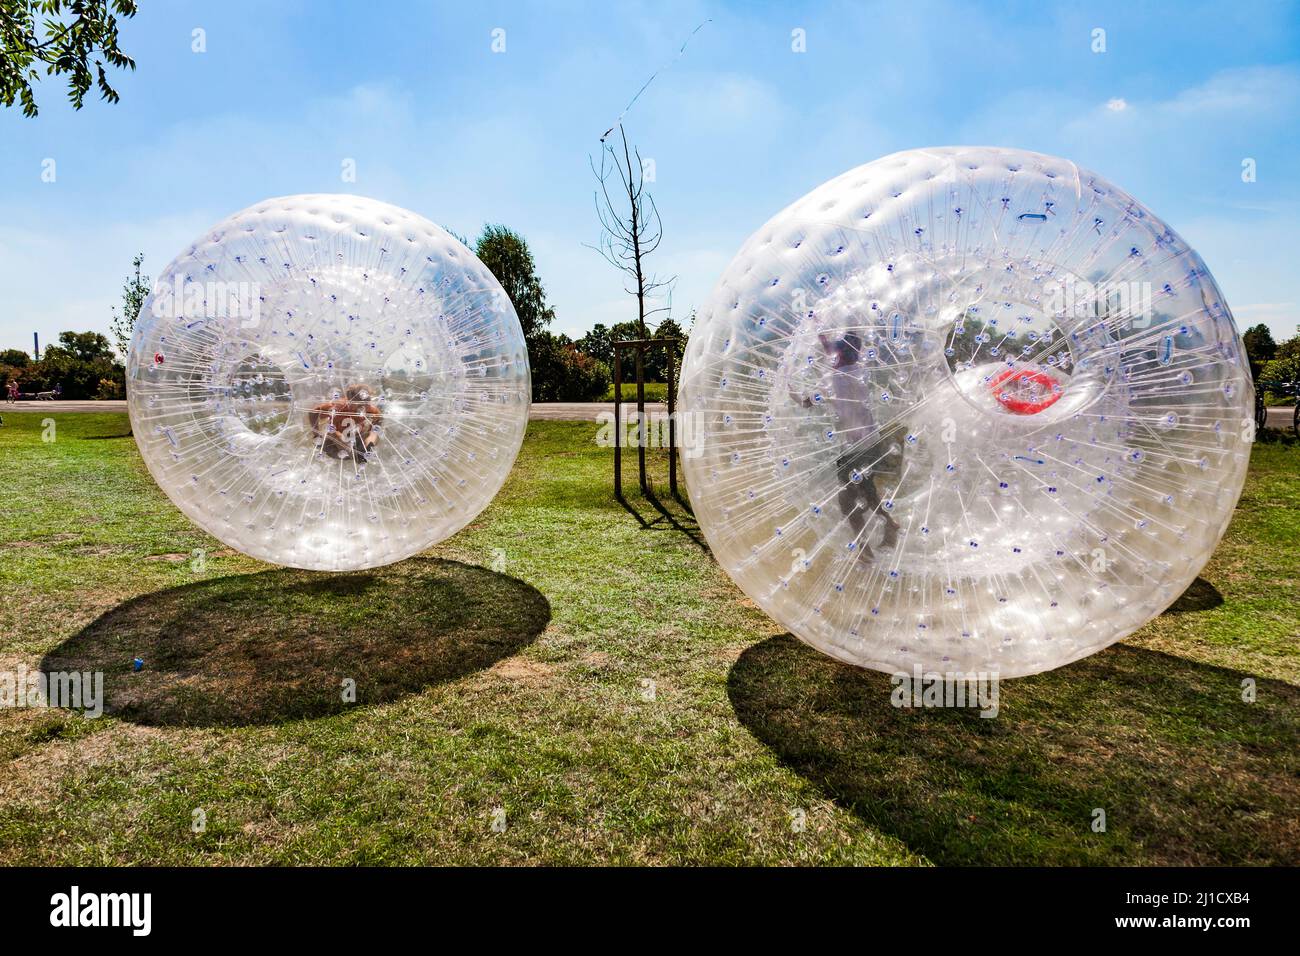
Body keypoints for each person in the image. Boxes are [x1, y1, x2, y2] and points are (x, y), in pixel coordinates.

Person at [792, 331, 900, 560]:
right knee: (868, 490)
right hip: (872, 441)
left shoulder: (835, 379)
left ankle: (864, 550)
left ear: (839, 353)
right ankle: (890, 524)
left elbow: (807, 402)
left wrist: (789, 389)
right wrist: (823, 338)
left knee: (846, 501)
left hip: (854, 447)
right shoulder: (859, 371)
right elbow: (837, 354)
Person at [307, 384, 382, 461]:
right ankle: (350, 451)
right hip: (335, 444)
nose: (362, 407)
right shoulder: (339, 405)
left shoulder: (368, 408)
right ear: (350, 399)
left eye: (366, 403)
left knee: (367, 441)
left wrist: (371, 436)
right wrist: (316, 432)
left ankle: (356, 452)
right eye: (359, 404)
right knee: (332, 433)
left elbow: (378, 419)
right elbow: (314, 412)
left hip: (355, 441)